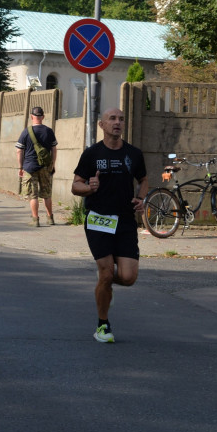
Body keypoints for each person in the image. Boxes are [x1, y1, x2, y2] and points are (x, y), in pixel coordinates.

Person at [71, 107, 148, 344]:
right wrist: (89, 188)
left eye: (121, 119)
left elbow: (143, 179)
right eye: (112, 119)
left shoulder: (133, 154)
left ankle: (104, 285)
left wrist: (141, 198)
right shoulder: (92, 153)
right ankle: (102, 325)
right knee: (106, 273)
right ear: (101, 125)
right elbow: (76, 186)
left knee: (128, 277)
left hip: (125, 220)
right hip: (98, 218)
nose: (117, 122)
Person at [16, 106, 58, 226]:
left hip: (29, 167)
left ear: (31, 117)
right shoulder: (49, 131)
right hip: (45, 167)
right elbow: (54, 150)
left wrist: (20, 167)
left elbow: (19, 151)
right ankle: (50, 218)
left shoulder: (26, 131)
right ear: (43, 117)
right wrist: (52, 165)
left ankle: (35, 220)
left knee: (32, 195)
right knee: (47, 194)